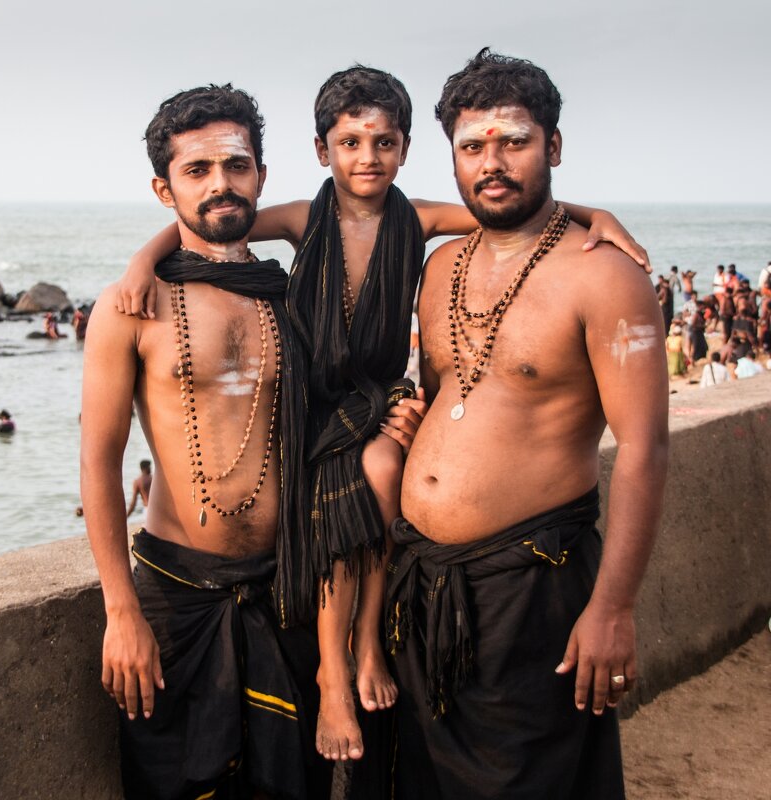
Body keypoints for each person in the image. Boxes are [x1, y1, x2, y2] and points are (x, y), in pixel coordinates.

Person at [114, 65, 645, 768]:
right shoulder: (305, 217)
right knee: (355, 482)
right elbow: (195, 228)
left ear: (405, 147)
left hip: (377, 395)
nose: (368, 158)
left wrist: (592, 215)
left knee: (383, 466)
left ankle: (366, 642)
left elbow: (506, 207)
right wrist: (140, 263)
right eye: (350, 143)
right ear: (320, 150)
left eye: (384, 143)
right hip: (320, 398)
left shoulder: (418, 217)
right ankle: (338, 665)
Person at [391, 49, 668, 799]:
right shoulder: (439, 266)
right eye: (473, 147)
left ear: (553, 146)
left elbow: (643, 449)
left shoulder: (605, 275)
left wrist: (612, 607)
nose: (493, 163)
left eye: (514, 141)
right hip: (422, 585)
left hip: (534, 587)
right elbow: (450, 393)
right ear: (451, 158)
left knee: (528, 781)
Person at [83, 84, 336, 800]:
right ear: (164, 189)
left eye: (236, 164)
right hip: (177, 596)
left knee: (295, 783)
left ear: (260, 174)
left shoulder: (289, 292)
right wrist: (120, 612)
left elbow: (391, 221)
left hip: (285, 588)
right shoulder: (133, 305)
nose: (220, 183)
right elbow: (99, 464)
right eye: (197, 170)